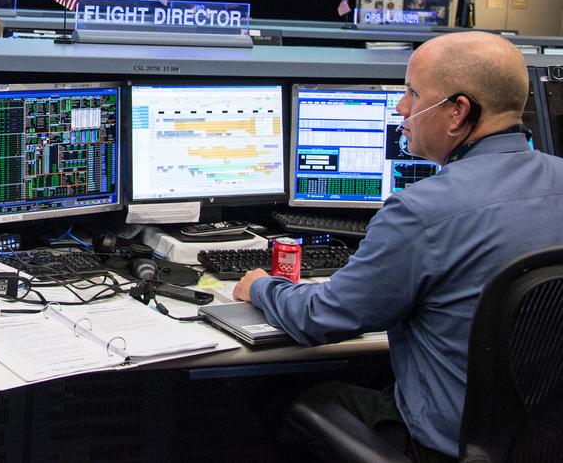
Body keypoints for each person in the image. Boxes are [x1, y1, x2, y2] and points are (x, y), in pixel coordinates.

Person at [233, 31, 563, 461]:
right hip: (544, 437)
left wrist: (261, 286)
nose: (401, 107)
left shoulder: (421, 211)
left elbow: (323, 318)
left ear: (457, 112)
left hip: (449, 445)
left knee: (278, 399)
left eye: (412, 93)